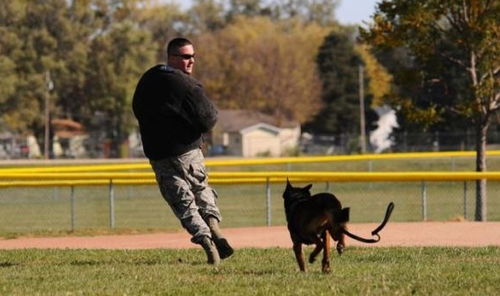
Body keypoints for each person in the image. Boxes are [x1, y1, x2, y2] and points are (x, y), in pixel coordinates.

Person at [132, 37, 233, 265]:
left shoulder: (148, 80)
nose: (191, 61)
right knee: (200, 189)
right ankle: (214, 231)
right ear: (173, 58)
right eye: (186, 57)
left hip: (159, 154)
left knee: (182, 202)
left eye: (193, 56)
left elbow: (137, 109)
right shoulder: (187, 86)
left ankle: (209, 244)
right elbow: (209, 118)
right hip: (188, 152)